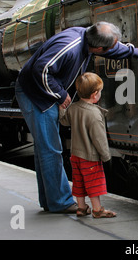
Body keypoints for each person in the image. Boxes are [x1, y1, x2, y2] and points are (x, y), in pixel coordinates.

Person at [15, 22, 138, 213]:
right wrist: (61, 95)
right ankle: (60, 202)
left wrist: (134, 52)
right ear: (96, 47)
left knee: (45, 148)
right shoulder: (70, 47)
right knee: (50, 148)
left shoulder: (87, 37)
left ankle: (50, 201)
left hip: (42, 90)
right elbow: (42, 70)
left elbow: (109, 49)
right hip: (35, 94)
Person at [59, 72, 116, 218]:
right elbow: (99, 138)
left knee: (79, 181)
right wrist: (105, 155)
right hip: (90, 156)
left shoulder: (73, 108)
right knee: (93, 182)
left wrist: (61, 108)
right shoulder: (94, 114)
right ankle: (97, 210)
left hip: (75, 155)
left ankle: (82, 208)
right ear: (95, 94)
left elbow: (64, 121)